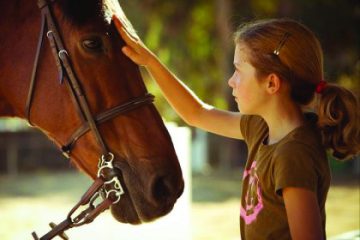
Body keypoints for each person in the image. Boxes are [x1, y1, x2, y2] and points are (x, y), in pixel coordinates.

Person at [113, 16, 360, 240]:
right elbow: (197, 113)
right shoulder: (261, 128)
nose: (231, 81)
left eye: (238, 71)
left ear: (272, 83)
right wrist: (149, 62)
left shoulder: (293, 154)